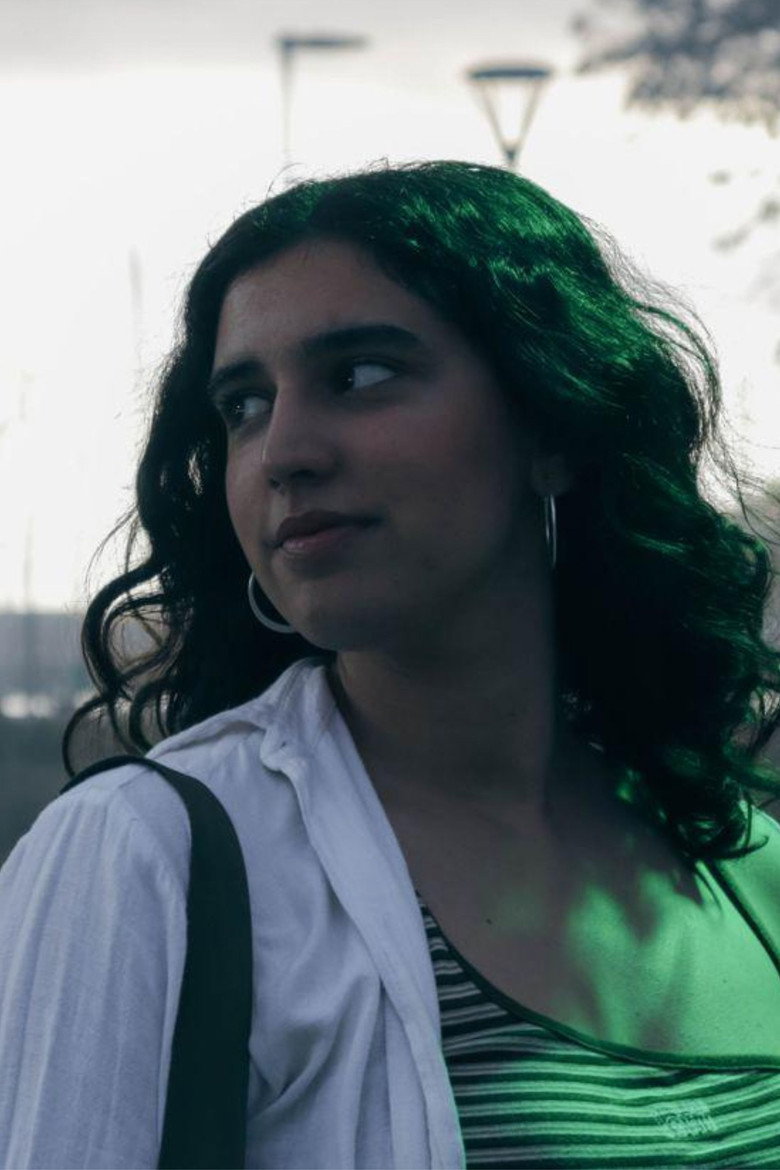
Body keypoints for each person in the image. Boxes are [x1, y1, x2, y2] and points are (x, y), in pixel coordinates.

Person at [2, 158, 780, 1169]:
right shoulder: (151, 855)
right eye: (243, 405)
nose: (284, 451)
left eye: (362, 375)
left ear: (552, 426)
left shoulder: (744, 860)